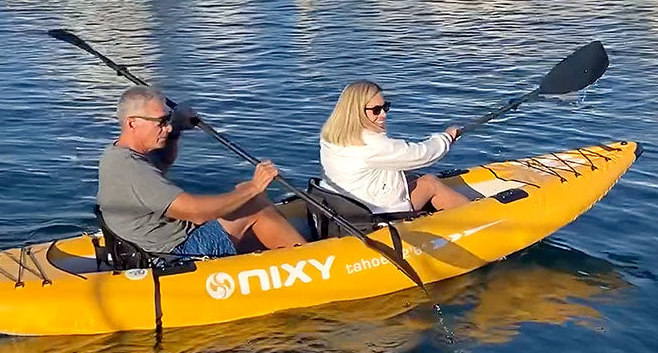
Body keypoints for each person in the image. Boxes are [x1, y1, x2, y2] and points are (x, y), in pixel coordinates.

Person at [97, 85, 306, 257]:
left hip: (168, 238)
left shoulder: (121, 154)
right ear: (132, 123)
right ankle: (310, 263)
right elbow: (196, 213)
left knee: (248, 197)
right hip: (176, 251)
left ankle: (283, 256)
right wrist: (254, 187)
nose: (167, 127)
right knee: (254, 202)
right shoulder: (130, 169)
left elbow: (163, 161)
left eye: (168, 119)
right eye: (161, 122)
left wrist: (177, 128)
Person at [319, 80, 470, 214]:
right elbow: (421, 155)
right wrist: (447, 137)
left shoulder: (331, 136)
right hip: (377, 212)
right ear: (357, 111)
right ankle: (478, 218)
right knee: (430, 183)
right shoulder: (372, 144)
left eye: (385, 107)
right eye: (376, 110)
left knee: (412, 178)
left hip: (348, 204)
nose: (383, 114)